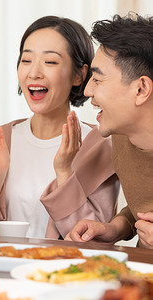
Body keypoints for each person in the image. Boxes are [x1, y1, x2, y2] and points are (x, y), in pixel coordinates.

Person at [0, 16, 120, 239]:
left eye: (50, 62)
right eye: (26, 60)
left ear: (80, 75)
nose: (34, 72)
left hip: (64, 272)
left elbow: (95, 242)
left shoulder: (101, 148)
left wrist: (65, 173)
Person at [66, 13, 153, 249]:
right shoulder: (122, 137)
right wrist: (114, 228)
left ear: (141, 89)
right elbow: (143, 207)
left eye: (98, 79)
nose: (87, 91)